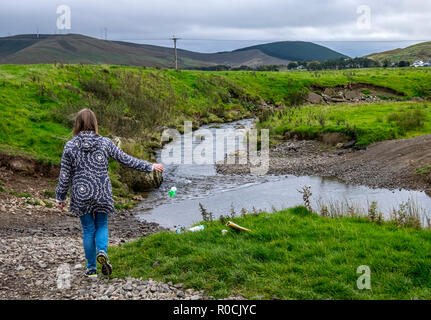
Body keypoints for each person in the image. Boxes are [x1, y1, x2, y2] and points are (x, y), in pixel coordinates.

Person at [55, 109, 164, 278]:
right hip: (102, 192)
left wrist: (60, 197)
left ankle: (91, 269)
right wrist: (149, 166)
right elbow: (126, 159)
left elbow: (64, 175)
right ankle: (102, 252)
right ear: (94, 123)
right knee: (102, 225)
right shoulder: (105, 143)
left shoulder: (70, 145)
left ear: (77, 124)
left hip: (81, 193)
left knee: (88, 229)